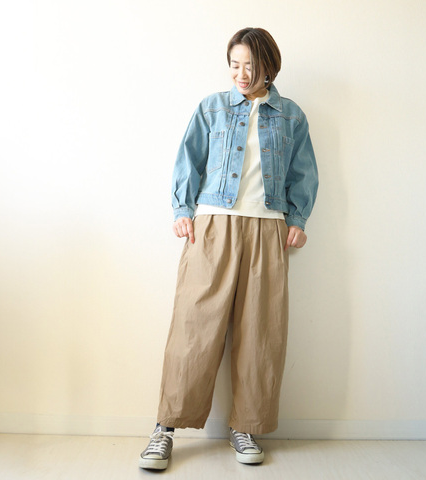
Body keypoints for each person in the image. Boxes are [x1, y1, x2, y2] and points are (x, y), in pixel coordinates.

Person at [139, 27, 318, 470]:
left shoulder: (292, 116)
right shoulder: (212, 108)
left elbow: (304, 171)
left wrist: (298, 219)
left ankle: (246, 426)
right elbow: (189, 159)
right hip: (213, 225)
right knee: (194, 326)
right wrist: (183, 209)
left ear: (269, 67)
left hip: (268, 228)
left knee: (261, 332)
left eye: (250, 65)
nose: (241, 73)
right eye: (234, 64)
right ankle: (165, 429)